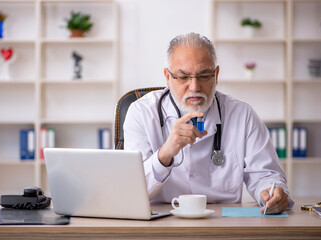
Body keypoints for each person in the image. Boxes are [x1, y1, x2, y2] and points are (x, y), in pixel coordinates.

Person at [123, 32, 294, 214]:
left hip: (223, 221)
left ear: (216, 74)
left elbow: (265, 174)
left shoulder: (242, 114)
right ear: (167, 77)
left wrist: (271, 192)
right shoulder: (141, 113)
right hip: (162, 221)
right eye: (183, 77)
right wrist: (165, 153)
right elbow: (133, 192)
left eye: (204, 76)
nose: (195, 87)